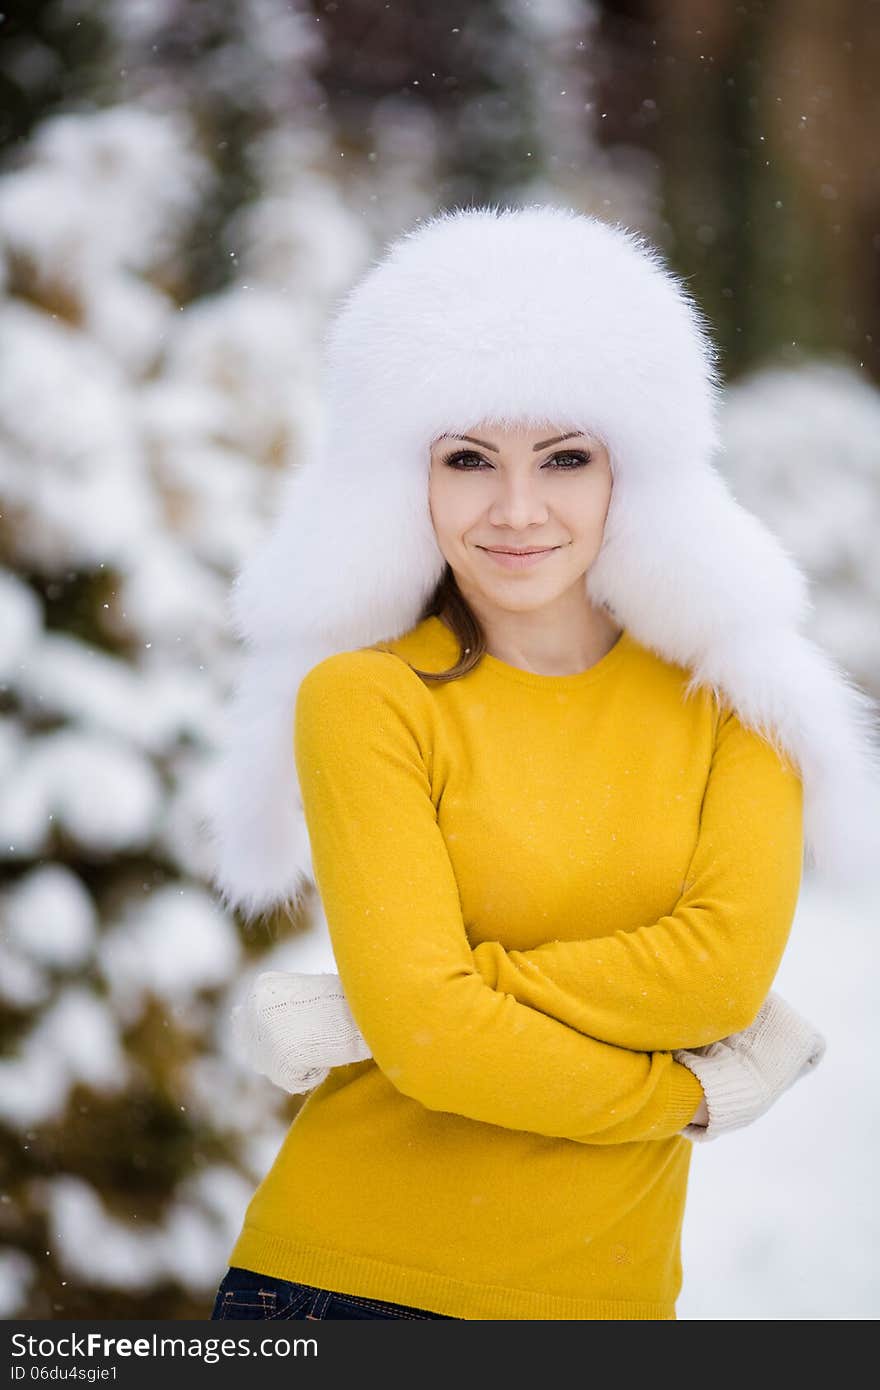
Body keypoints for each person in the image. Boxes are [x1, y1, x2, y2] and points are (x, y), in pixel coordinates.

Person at [203, 205, 879, 1321]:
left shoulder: (741, 706)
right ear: (404, 480)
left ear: (636, 473)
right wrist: (683, 1095)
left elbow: (715, 978)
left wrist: (409, 1006)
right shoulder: (365, 699)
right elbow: (431, 1039)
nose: (516, 509)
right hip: (345, 1289)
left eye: (565, 456)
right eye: (468, 457)